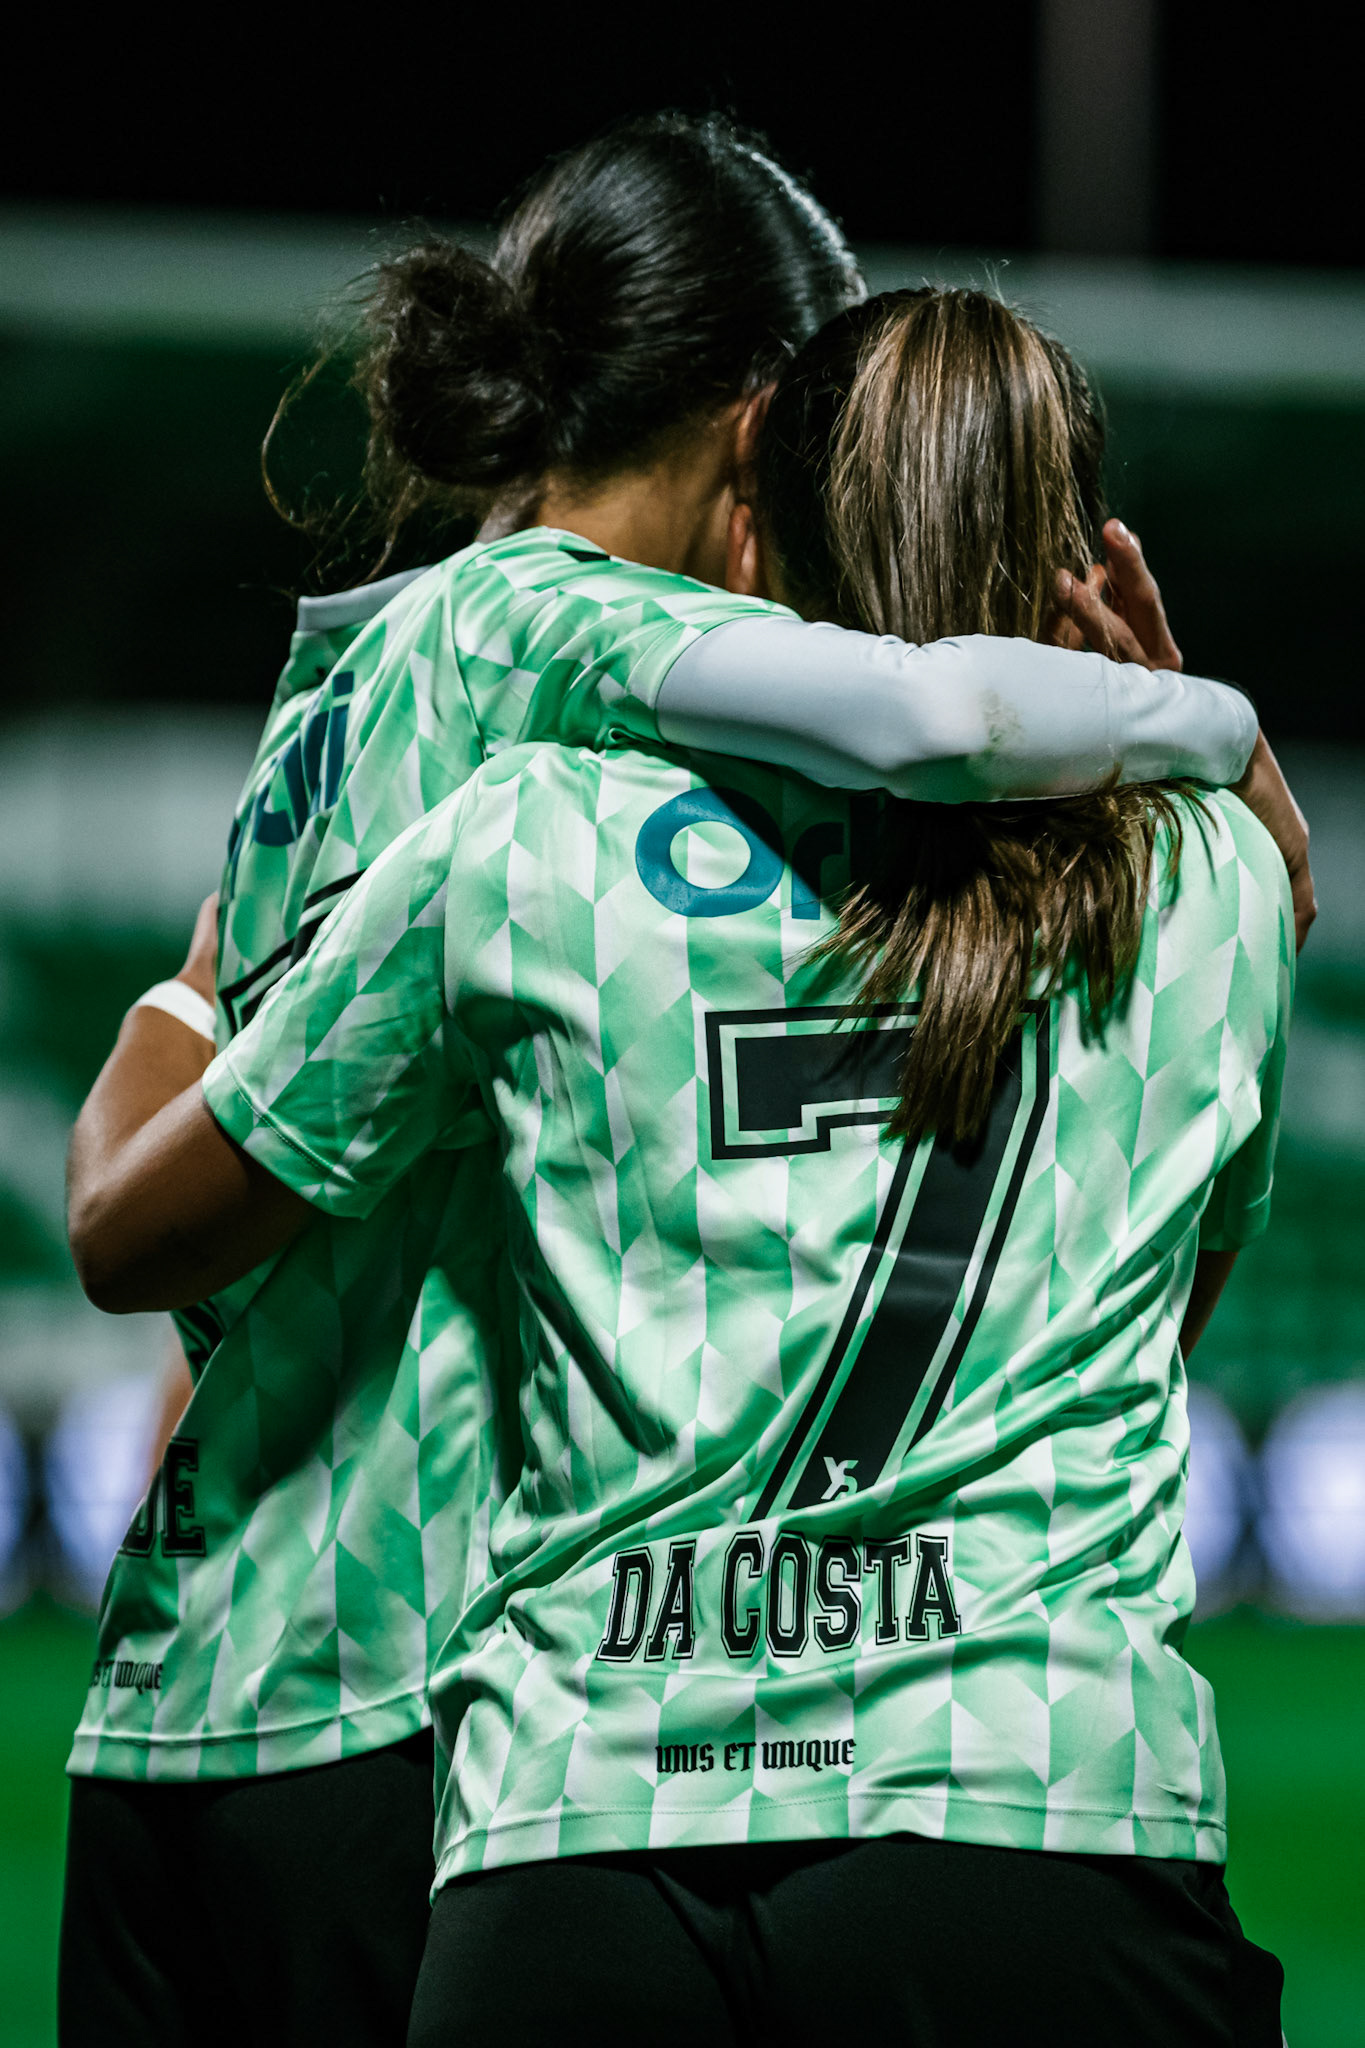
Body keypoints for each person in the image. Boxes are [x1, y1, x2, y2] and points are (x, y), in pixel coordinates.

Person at [61, 126, 1284, 2048]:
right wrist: (1199, 741)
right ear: (767, 429)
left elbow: (139, 1207)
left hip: (185, 1694)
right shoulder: (564, 641)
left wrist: (192, 981)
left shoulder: (350, 691)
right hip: (410, 1705)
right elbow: (928, 717)